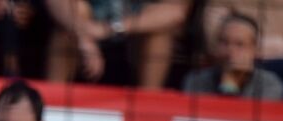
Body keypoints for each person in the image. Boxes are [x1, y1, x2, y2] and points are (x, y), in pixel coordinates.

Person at [45, 0, 190, 89]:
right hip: (85, 35)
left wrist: (112, 28)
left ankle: (147, 104)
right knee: (73, 16)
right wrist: (84, 38)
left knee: (158, 34)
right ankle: (53, 102)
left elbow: (176, 11)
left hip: (130, 36)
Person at [182, 12, 283, 98]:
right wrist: (229, 84)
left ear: (255, 50)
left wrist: (232, 81)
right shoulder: (196, 81)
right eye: (224, 42)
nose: (230, 50)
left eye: (239, 44)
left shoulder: (270, 84)